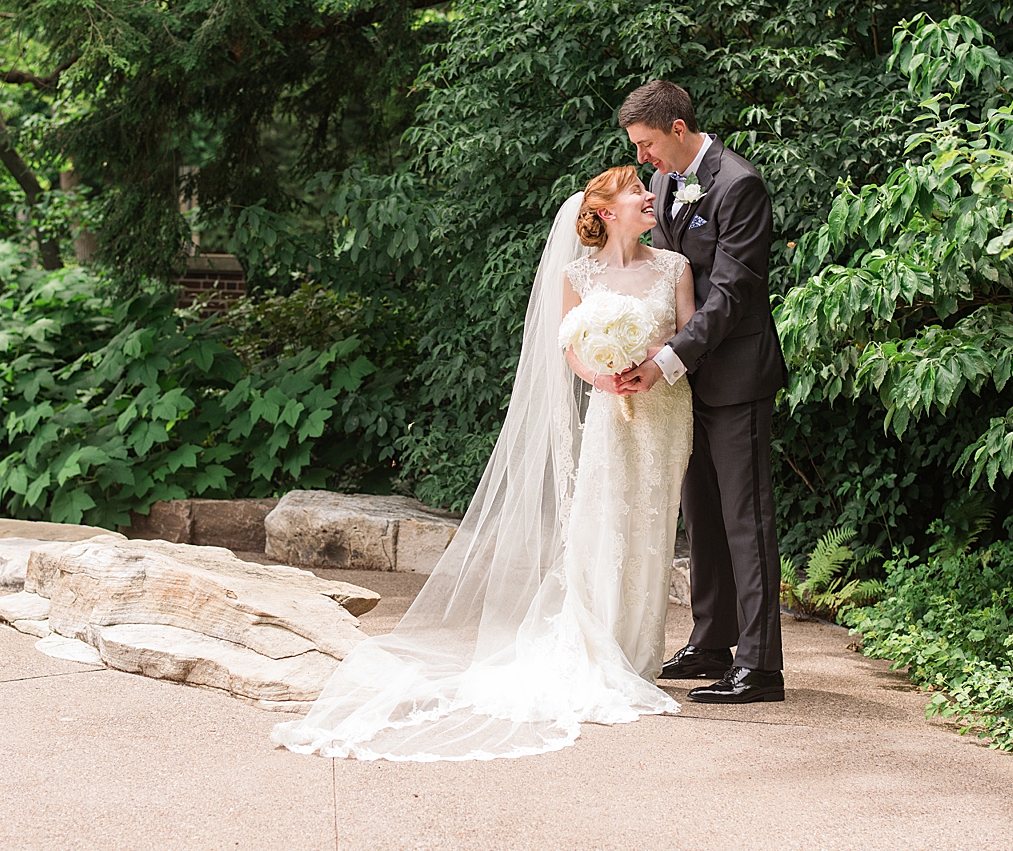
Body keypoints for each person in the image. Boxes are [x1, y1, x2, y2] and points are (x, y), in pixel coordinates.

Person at [271, 166, 696, 761]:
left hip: (664, 411)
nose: (652, 197)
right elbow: (570, 348)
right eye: (637, 192)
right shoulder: (579, 274)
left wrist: (647, 356)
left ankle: (638, 656)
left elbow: (689, 336)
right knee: (602, 526)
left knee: (651, 527)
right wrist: (605, 371)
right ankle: (599, 651)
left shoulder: (674, 267)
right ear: (604, 211)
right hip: (610, 409)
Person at [613, 79, 790, 704]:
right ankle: (712, 639)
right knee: (704, 518)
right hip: (685, 381)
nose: (643, 160)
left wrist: (665, 359)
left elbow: (731, 296)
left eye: (648, 145)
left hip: (737, 375)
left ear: (679, 131)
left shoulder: (739, 184)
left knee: (747, 519)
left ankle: (761, 664)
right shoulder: (663, 185)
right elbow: (670, 276)